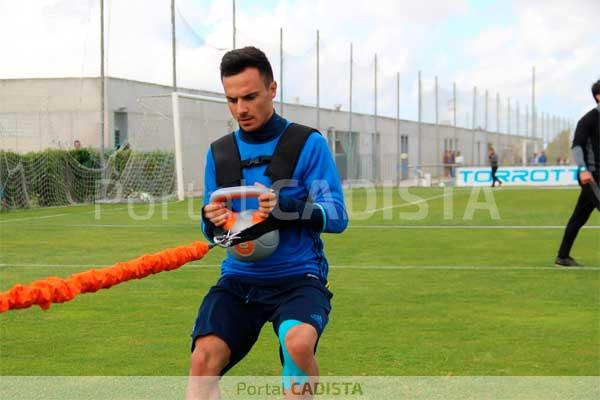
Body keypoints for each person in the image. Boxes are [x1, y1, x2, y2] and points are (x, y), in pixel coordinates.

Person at [187, 46, 348, 399]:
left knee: (299, 344)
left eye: (250, 97)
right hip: (239, 280)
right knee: (203, 360)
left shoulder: (308, 143)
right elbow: (212, 229)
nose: (241, 109)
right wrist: (210, 222)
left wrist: (285, 206)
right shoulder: (220, 152)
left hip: (298, 278)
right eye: (232, 99)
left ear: (272, 89)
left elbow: (337, 215)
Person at [555, 79, 600, 267]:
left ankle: (563, 257)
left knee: (579, 216)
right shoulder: (588, 120)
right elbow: (577, 147)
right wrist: (583, 170)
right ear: (598, 96)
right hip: (591, 176)